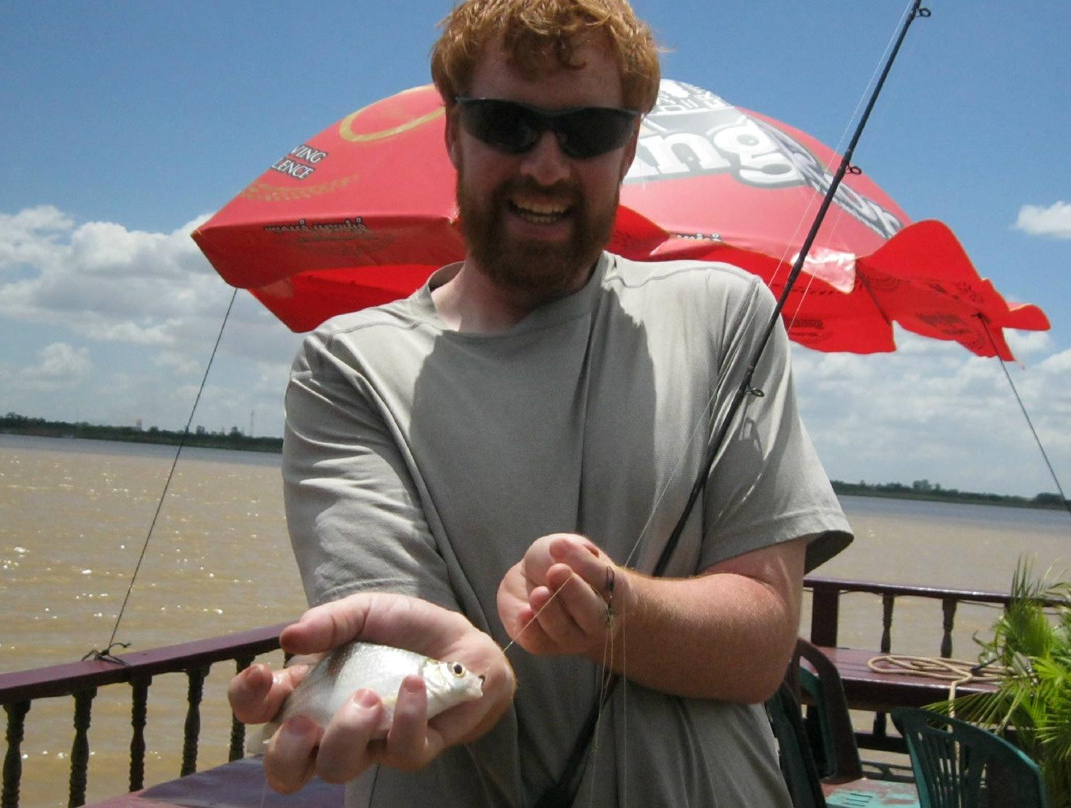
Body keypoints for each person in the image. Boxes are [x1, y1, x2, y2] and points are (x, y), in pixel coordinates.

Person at [229, 0, 853, 804]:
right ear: (454, 132)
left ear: (628, 146)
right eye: (506, 124)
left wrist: (611, 610)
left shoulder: (724, 314)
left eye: (587, 131)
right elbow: (391, 627)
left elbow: (762, 644)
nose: (548, 167)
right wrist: (451, 678)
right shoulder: (345, 364)